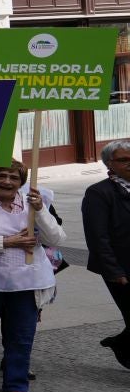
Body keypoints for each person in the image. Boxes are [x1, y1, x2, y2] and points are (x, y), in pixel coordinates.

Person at [0, 162, 65, 392]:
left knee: (21, 334)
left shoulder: (34, 202)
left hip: (27, 280)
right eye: (1, 175)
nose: (7, 182)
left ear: (22, 181)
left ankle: (16, 381)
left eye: (14, 177)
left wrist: (40, 210)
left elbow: (57, 238)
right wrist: (7, 242)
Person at [82, 140, 130, 369]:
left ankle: (122, 343)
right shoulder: (98, 193)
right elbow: (97, 237)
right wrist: (113, 271)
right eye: (124, 160)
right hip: (121, 267)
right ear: (109, 164)